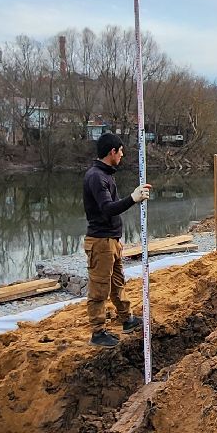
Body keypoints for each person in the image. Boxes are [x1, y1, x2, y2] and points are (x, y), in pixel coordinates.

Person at [82, 132, 151, 348]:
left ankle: (127, 319)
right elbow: (108, 208)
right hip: (100, 241)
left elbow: (112, 206)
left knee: (117, 282)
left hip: (111, 240)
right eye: (120, 151)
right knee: (99, 289)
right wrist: (133, 198)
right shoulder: (96, 177)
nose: (122, 155)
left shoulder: (106, 175)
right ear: (112, 152)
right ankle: (98, 333)